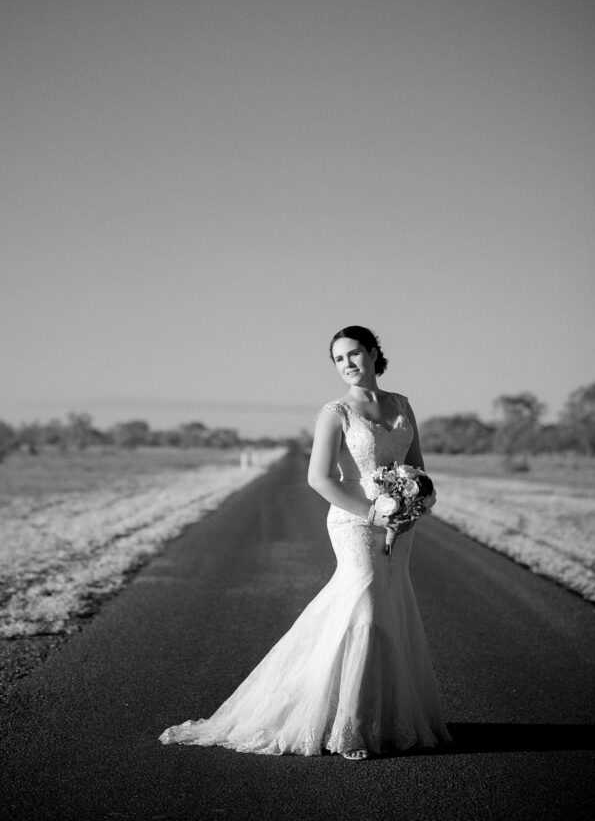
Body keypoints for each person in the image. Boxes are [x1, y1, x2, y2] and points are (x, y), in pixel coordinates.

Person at [159, 325, 451, 758]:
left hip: (400, 526)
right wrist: (371, 511)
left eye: (354, 354)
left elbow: (418, 468)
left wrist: (414, 506)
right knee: (365, 609)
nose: (348, 365)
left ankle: (386, 718)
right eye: (338, 359)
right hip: (354, 522)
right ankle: (348, 726)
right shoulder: (335, 412)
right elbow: (318, 478)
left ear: (373, 353)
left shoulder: (403, 404)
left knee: (392, 608)